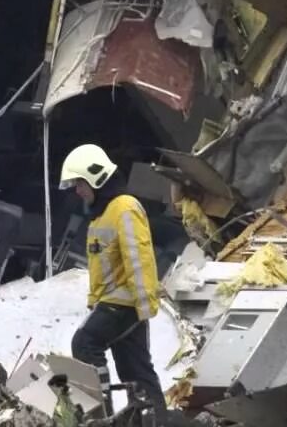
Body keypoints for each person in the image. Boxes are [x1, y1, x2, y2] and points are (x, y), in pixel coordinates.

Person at [59, 144, 165, 412]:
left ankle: (99, 415)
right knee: (135, 370)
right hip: (119, 302)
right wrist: (96, 302)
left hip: (126, 301)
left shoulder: (124, 208)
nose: (77, 190)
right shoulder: (102, 215)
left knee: (85, 343)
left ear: (96, 178)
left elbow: (138, 256)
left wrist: (144, 306)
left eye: (80, 183)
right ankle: (152, 419)